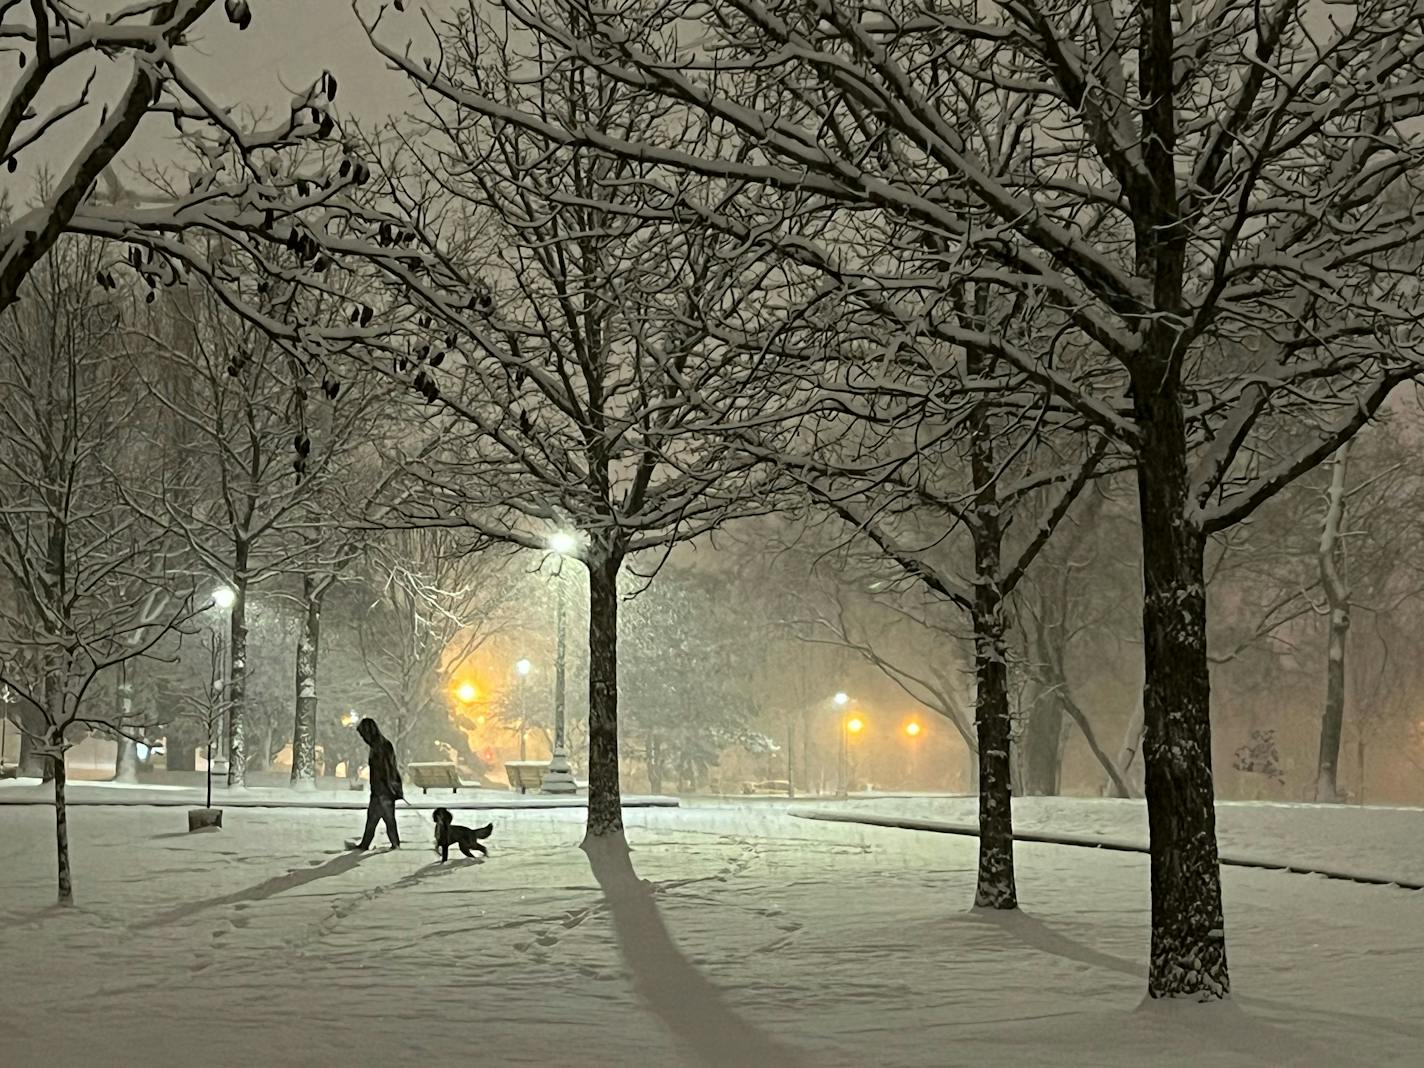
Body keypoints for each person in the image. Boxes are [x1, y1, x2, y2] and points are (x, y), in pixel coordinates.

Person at [353, 718, 403, 850]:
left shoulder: (380, 747)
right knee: (378, 818)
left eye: (363, 734)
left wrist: (386, 789)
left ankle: (393, 844)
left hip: (383, 790)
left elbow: (387, 770)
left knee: (383, 818)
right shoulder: (379, 745)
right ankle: (392, 843)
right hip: (382, 789)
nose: (363, 738)